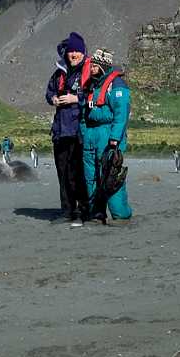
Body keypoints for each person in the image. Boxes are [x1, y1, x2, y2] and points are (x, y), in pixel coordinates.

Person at [45, 33, 93, 225]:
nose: (73, 54)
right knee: (63, 172)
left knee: (78, 173)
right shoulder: (60, 72)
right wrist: (54, 99)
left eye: (77, 51)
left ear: (83, 52)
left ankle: (83, 210)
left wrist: (76, 99)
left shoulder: (89, 71)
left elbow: (94, 95)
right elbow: (49, 92)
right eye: (71, 51)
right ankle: (67, 210)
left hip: (78, 130)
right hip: (60, 131)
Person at [81, 47, 132, 223]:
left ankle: (121, 215)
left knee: (110, 176)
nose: (91, 68)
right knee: (91, 177)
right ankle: (96, 213)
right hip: (90, 135)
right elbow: (83, 113)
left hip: (107, 135)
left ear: (103, 65)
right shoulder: (91, 85)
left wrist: (115, 138)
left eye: (95, 65)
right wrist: (83, 133)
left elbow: (121, 113)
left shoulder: (117, 86)